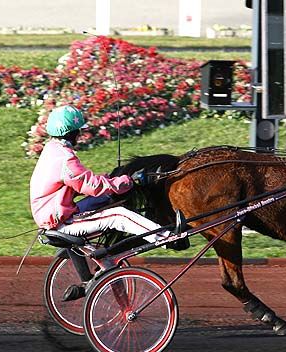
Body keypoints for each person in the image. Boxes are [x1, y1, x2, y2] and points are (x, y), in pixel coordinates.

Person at [30, 105, 188, 301]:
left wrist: (113, 180)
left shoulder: (53, 150)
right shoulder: (64, 158)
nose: (79, 135)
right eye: (78, 131)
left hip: (55, 213)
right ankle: (168, 237)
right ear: (72, 132)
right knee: (119, 215)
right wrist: (127, 181)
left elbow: (84, 182)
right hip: (61, 222)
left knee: (108, 202)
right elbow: (91, 186)